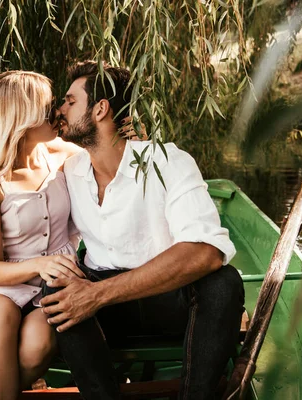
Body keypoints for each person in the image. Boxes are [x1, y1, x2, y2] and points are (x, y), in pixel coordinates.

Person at [40, 60, 246, 400]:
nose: (60, 109)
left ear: (100, 109)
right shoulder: (69, 171)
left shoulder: (167, 161)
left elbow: (206, 252)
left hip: (168, 300)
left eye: (70, 101)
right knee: (56, 289)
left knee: (223, 283)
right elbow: (24, 147)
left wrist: (96, 296)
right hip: (106, 313)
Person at [0, 70, 84, 400]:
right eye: (48, 105)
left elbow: (107, 153)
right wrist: (42, 263)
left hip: (54, 286)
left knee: (36, 348)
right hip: (2, 287)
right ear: (22, 116)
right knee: (0, 315)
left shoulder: (63, 154)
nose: (57, 112)